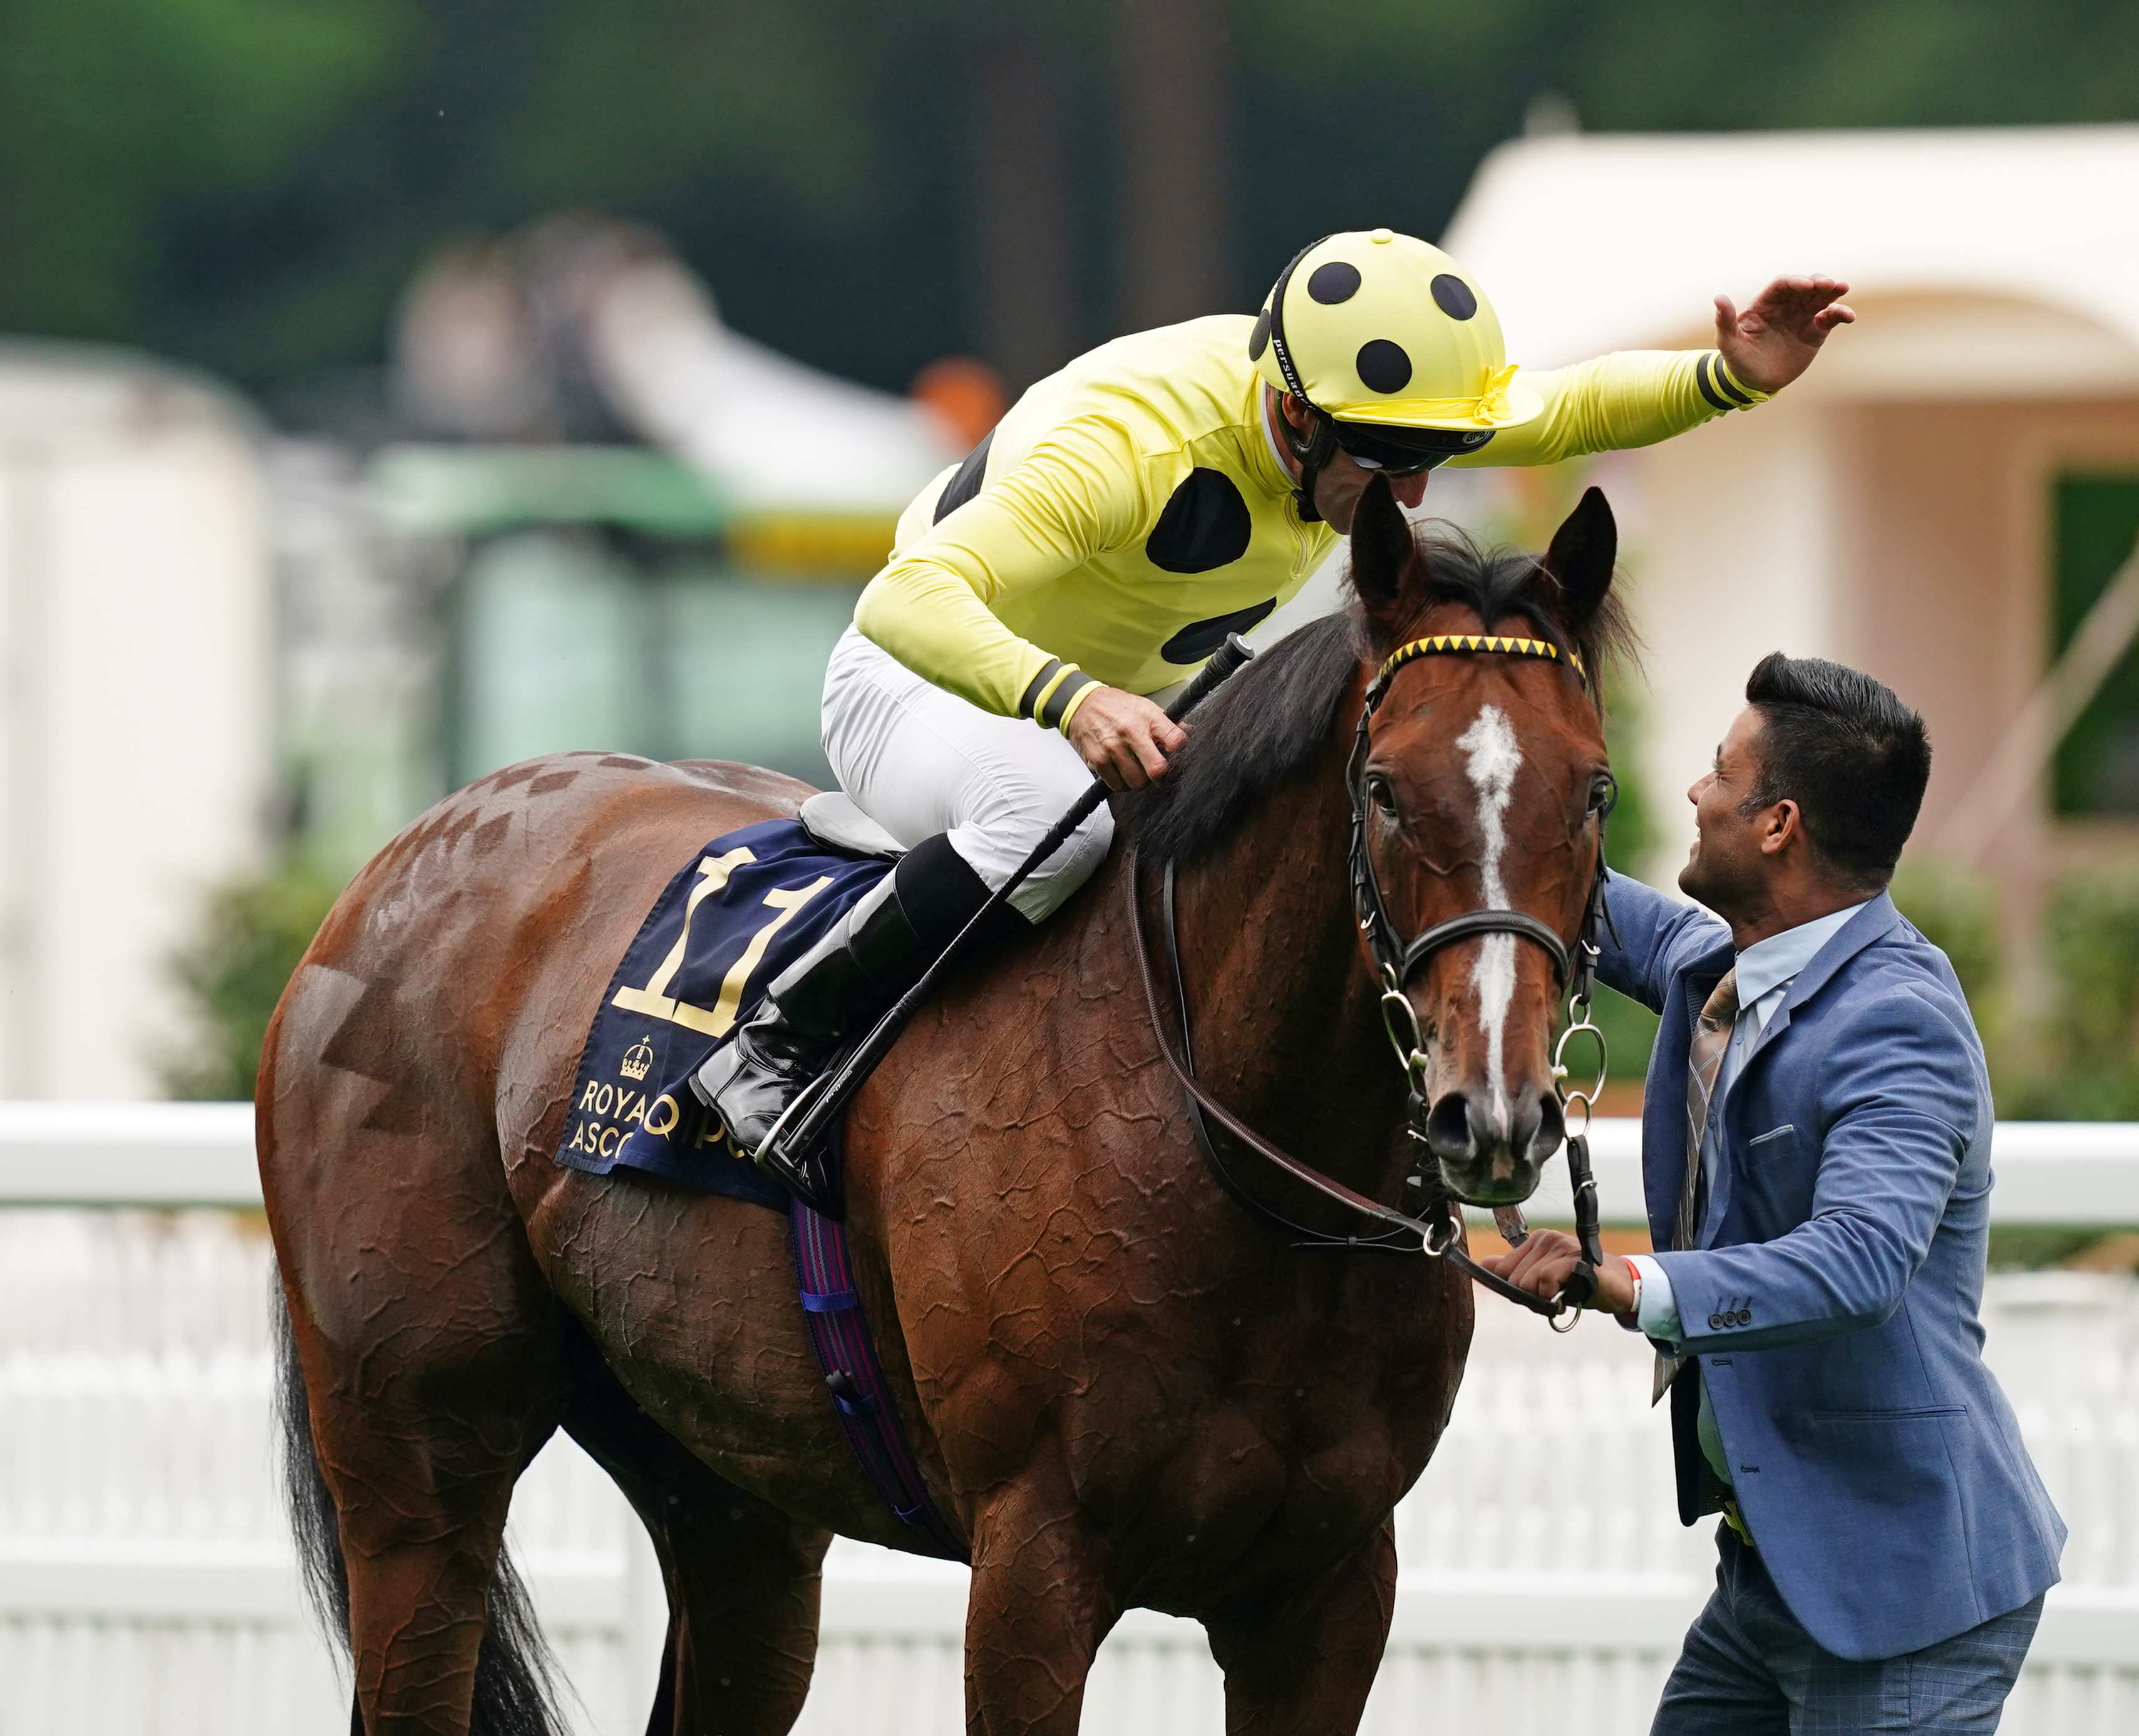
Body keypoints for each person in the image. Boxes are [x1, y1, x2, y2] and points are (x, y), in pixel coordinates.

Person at [697, 227, 1855, 1188]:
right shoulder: (1125, 446)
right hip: (924, 680)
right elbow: (906, 600)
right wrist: (1070, 698)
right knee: (1049, 819)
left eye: (1435, 461)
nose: (1414, 494)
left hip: (1115, 701)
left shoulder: (1365, 404)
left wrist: (1730, 378)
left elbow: (1569, 409)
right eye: (1392, 464)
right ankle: (775, 1040)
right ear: (1296, 419)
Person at [1487, 653, 2064, 1733]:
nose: (1695, 793)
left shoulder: (1899, 1023)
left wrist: (1630, 1284)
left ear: (1777, 826)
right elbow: (1540, 878)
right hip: (1770, 1580)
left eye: (1719, 773)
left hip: (1898, 1598)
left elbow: (1859, 1261)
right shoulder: (1727, 962)